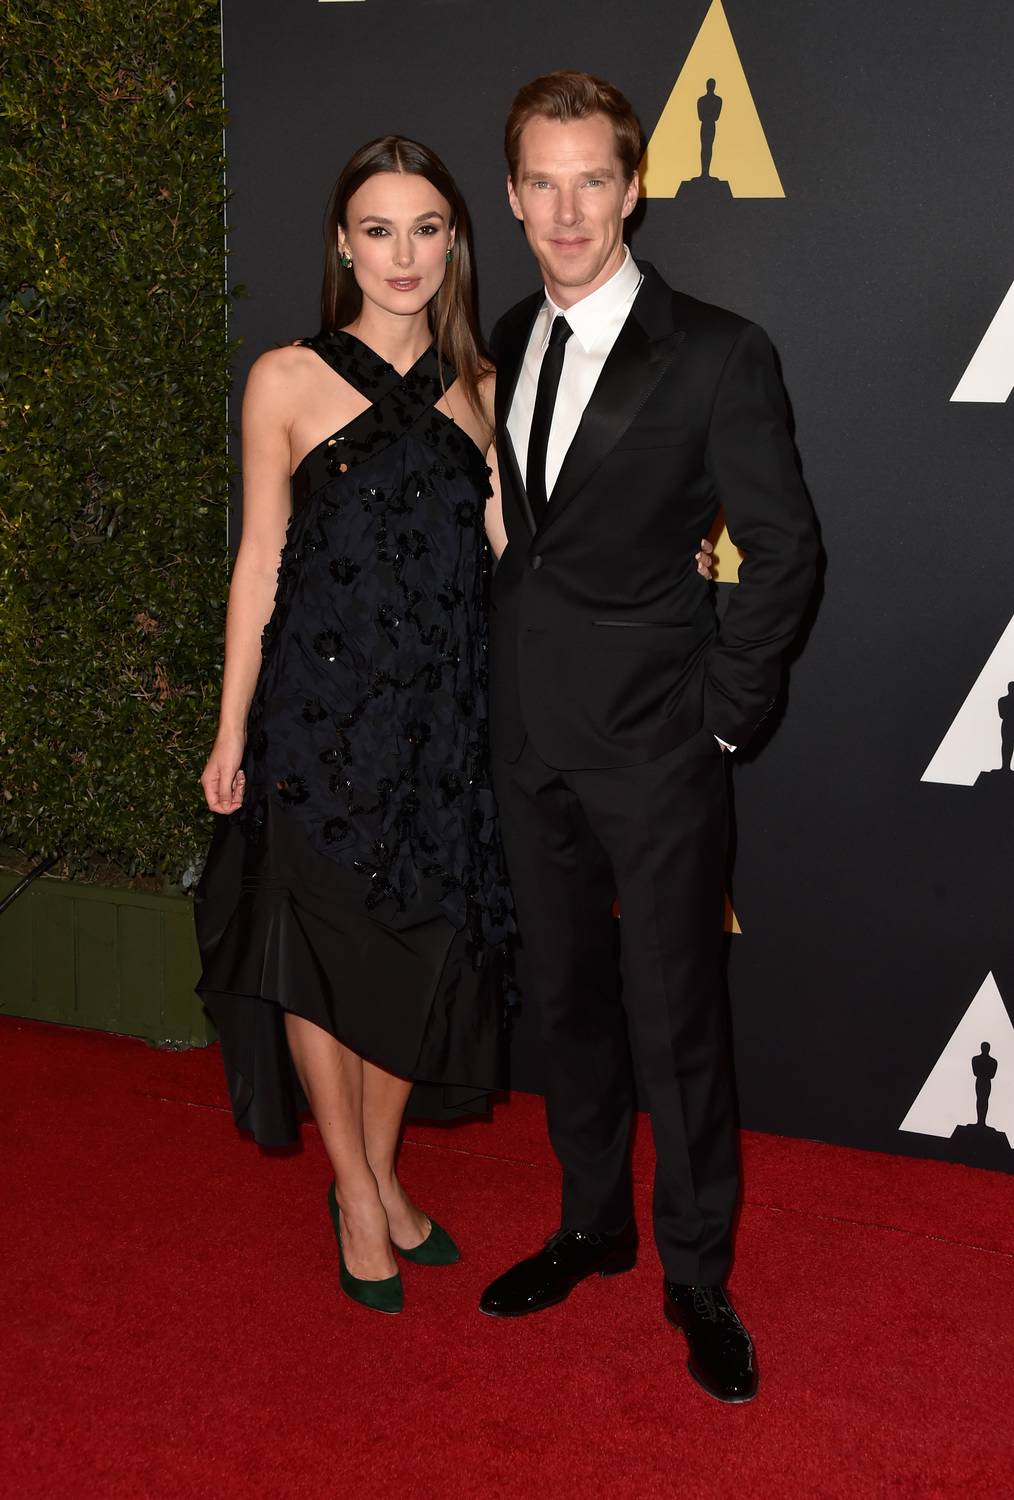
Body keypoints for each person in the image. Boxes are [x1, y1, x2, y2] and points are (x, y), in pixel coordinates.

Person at [194, 130, 723, 1316]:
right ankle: (357, 1192)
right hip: (314, 720)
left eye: (427, 229)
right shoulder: (283, 378)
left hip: (442, 725)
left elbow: (528, 553)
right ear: (342, 242)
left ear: (457, 240)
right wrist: (232, 728)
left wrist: (670, 556)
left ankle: (377, 1175)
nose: (403, 254)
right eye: (377, 230)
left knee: (408, 964)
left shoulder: (485, 385)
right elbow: (259, 562)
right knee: (317, 963)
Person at [478, 73, 819, 1405]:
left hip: (658, 748)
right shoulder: (509, 329)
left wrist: (722, 719)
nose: (567, 211)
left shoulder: (719, 351)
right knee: (564, 1003)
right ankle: (589, 1224)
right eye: (540, 184)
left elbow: (782, 551)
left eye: (590, 182)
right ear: (511, 197)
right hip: (528, 741)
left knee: (673, 1018)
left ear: (630, 187)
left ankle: (693, 1274)